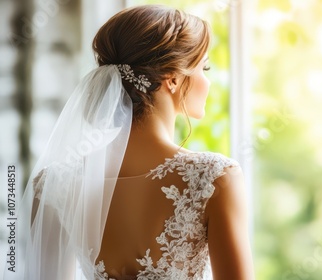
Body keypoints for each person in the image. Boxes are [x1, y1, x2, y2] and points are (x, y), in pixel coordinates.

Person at [7, 5, 254, 280]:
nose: (207, 81)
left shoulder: (53, 185)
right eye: (203, 67)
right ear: (172, 78)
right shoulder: (215, 178)